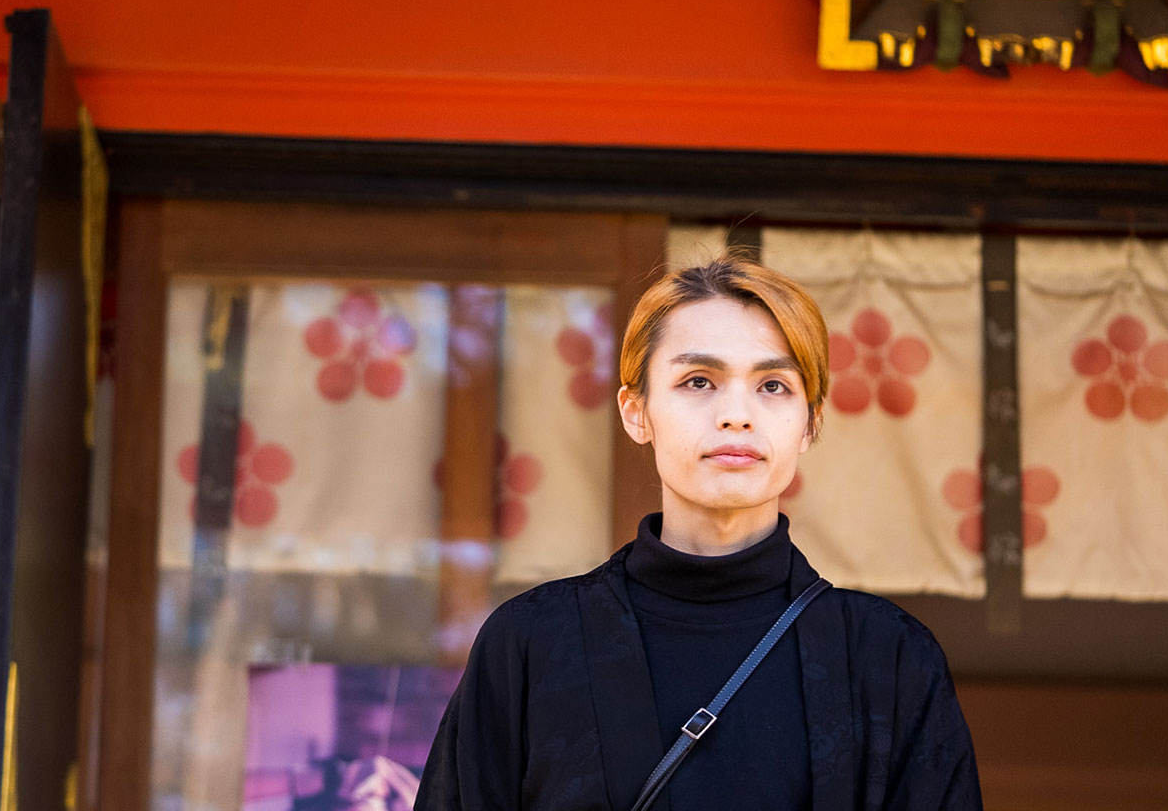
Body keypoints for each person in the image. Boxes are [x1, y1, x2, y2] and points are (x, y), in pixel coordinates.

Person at [415, 254, 982, 810]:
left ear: (810, 423)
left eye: (774, 386)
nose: (737, 414)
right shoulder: (532, 643)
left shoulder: (890, 658)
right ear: (636, 412)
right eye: (698, 381)